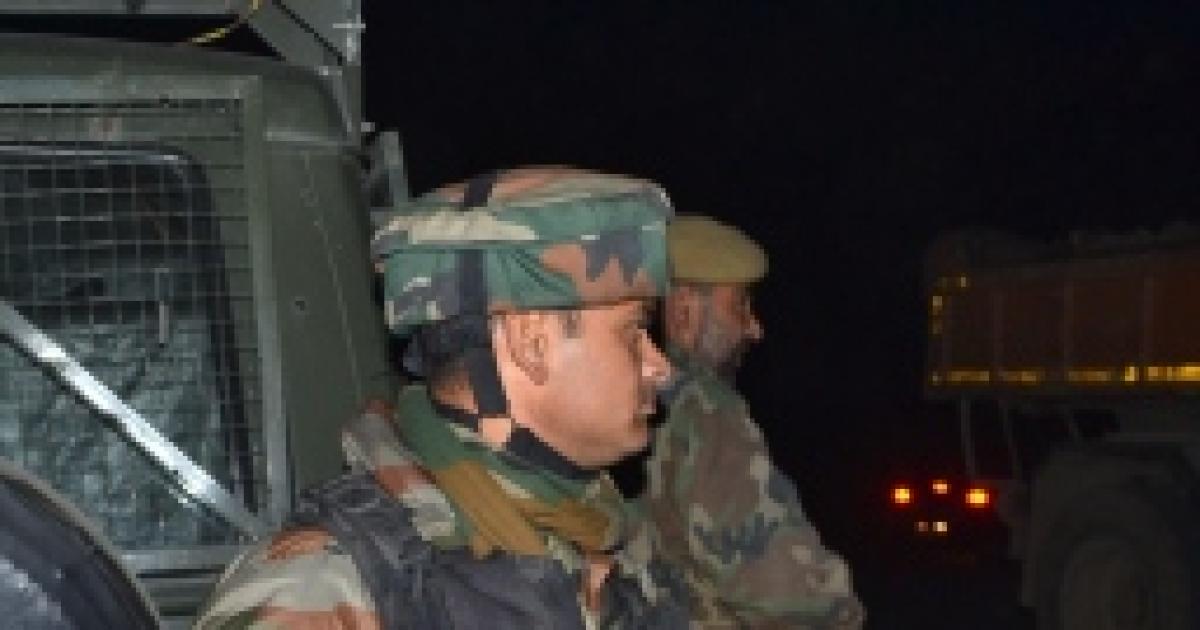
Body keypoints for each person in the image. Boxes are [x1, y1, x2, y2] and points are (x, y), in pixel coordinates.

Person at [195, 167, 694, 629]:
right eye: (633, 332)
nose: (660, 366)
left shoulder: (611, 551)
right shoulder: (322, 594)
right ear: (531, 343)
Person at [640, 214, 866, 629]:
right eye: (740, 305)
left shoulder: (633, 409)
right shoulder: (708, 413)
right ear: (684, 311)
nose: (755, 328)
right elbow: (782, 588)